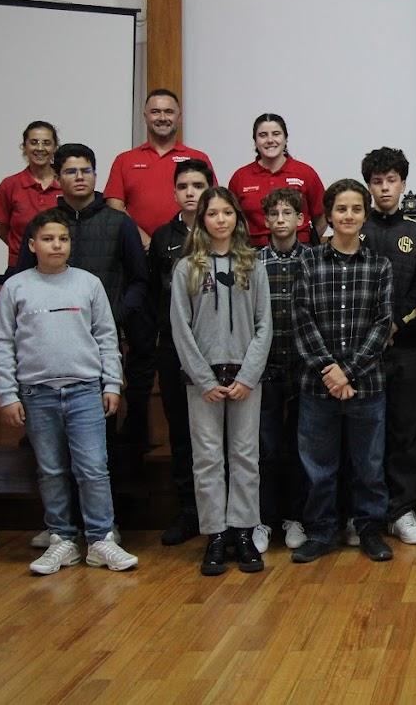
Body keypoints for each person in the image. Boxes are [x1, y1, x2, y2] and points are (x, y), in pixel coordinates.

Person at [0, 208, 138, 575]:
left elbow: (106, 337)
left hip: (85, 391)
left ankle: (101, 538)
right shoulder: (16, 287)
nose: (56, 245)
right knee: (52, 470)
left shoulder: (88, 284)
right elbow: (1, 343)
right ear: (32, 244)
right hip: (37, 394)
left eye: (63, 239)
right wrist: (7, 394)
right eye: (48, 239)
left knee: (93, 468)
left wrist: (112, 384)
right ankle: (62, 539)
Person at [289, 179, 396, 564]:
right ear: (329, 215)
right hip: (317, 387)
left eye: (355, 209)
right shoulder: (308, 261)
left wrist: (347, 372)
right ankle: (320, 532)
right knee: (319, 468)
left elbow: (383, 325)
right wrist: (329, 371)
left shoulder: (379, 266)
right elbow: (301, 319)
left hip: (367, 385)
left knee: (368, 466)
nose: (348, 216)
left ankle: (369, 530)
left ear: (365, 216)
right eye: (341, 209)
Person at [17, 144, 149, 450]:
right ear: (57, 177)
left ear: (95, 174)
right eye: (70, 171)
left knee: (100, 432)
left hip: (101, 338)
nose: (80, 177)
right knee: (51, 441)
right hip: (47, 342)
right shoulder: (44, 225)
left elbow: (139, 280)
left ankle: (102, 493)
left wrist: (114, 314)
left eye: (86, 171)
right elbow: (22, 279)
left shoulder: (119, 222)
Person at [170, 186, 272, 576]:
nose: (220, 220)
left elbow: (264, 325)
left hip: (246, 377)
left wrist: (249, 374)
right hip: (204, 380)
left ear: (236, 218)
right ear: (202, 220)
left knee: (246, 456)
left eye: (227, 213)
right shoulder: (187, 268)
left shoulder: (252, 264)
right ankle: (215, 533)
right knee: (208, 458)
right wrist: (201, 376)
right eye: (212, 214)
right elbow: (181, 327)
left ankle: (244, 532)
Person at [360, 147, 416, 546]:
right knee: (366, 433)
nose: (385, 188)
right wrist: (369, 331)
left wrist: (396, 323)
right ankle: (365, 513)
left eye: (391, 180)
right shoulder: (355, 227)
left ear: (403, 183)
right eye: (377, 181)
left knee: (406, 431)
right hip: (359, 350)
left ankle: (403, 510)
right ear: (369, 186)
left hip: (404, 348)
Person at [147, 158, 213, 546]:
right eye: (184, 186)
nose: (191, 192)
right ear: (175, 192)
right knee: (182, 434)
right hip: (174, 349)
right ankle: (189, 511)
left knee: (216, 438)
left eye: (198, 185)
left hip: (217, 352)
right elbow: (157, 292)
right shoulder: (162, 237)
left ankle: (219, 512)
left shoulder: (224, 233)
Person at [255, 187, 311, 553]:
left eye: (287, 213)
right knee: (266, 448)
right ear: (265, 221)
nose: (280, 220)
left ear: (301, 219)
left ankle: (296, 517)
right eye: (274, 214)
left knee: (301, 448)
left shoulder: (314, 259)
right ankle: (263, 519)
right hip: (266, 368)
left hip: (305, 367)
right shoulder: (254, 261)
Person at [103, 88, 217, 242]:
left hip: (190, 247)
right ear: (145, 116)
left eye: (169, 111)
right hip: (137, 248)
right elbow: (114, 207)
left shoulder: (198, 158)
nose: (162, 117)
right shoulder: (124, 160)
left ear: (179, 117)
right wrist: (144, 241)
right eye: (155, 112)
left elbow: (212, 202)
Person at [229, 113, 326, 246]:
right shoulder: (240, 177)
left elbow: (322, 216)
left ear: (286, 139)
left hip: (300, 249)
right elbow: (232, 220)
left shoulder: (305, 173)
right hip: (253, 252)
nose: (270, 140)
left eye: (276, 134)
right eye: (263, 135)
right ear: (255, 141)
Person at [0, 121, 61, 271]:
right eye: (34, 142)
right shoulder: (10, 185)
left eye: (46, 143)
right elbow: (2, 231)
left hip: (58, 269)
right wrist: (24, 252)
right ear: (24, 147)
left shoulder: (64, 185)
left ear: (55, 148)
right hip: (19, 268)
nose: (40, 148)